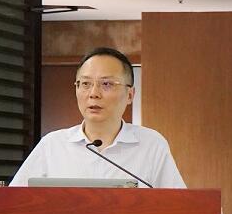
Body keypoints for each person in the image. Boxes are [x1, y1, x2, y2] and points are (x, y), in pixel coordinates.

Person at [10, 47, 187, 188]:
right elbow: (13, 203)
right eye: (85, 84)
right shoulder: (52, 145)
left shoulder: (151, 144)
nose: (93, 93)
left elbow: (179, 207)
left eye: (106, 84)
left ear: (130, 95)